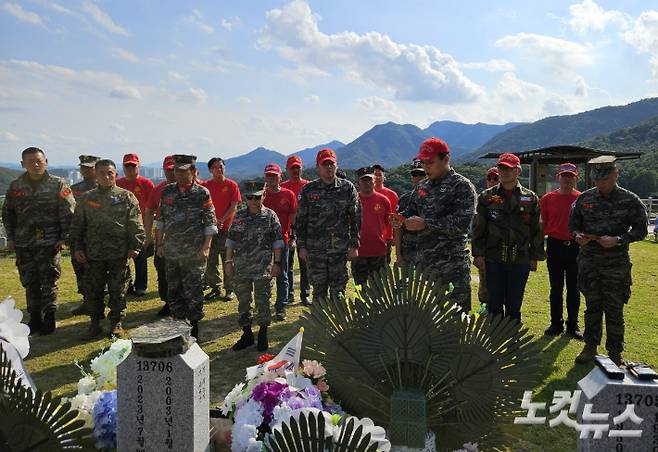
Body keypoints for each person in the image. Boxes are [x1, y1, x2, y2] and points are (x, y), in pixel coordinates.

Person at [571, 156, 648, 366]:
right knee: (592, 305)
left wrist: (619, 240)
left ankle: (615, 352)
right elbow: (574, 224)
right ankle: (590, 346)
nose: (601, 183)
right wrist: (578, 236)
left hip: (616, 263)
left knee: (614, 308)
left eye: (605, 179)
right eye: (598, 180)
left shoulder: (629, 200)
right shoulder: (585, 199)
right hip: (590, 261)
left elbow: (641, 229)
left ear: (616, 175)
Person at [2, 147, 76, 335]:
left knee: (49, 281)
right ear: (23, 164)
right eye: (30, 162)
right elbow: (7, 214)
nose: (35, 165)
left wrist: (64, 238)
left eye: (38, 161)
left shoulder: (58, 185)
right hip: (24, 243)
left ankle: (49, 318)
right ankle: (34, 318)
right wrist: (11, 237)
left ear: (46, 161)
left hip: (49, 244)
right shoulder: (16, 186)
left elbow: (68, 213)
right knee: (29, 281)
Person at [397, 138, 477, 312]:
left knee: (454, 320)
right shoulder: (421, 187)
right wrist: (401, 219)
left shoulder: (461, 186)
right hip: (423, 268)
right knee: (423, 322)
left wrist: (426, 224)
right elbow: (410, 212)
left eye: (430, 162)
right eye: (423, 162)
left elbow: (461, 224)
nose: (426, 167)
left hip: (451, 268)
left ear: (446, 159)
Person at [69, 159, 144, 339]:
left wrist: (136, 245)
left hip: (119, 253)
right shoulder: (87, 198)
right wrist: (77, 247)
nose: (106, 176)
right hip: (93, 253)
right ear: (96, 175)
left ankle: (116, 322)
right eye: (102, 173)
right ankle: (95, 323)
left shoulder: (126, 197)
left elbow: (135, 223)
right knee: (93, 290)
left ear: (115, 174)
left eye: (110, 173)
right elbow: (77, 225)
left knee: (118, 290)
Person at [472, 153, 545, 322]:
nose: (504, 172)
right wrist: (478, 254)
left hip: (520, 259)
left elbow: (537, 228)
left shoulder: (530, 197)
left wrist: (535, 256)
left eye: (509, 169)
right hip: (493, 258)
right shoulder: (486, 197)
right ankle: (494, 343)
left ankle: (512, 343)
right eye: (501, 168)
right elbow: (478, 227)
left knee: (514, 305)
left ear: (518, 170)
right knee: (494, 304)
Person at [154, 155, 217, 340]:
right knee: (173, 289)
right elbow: (160, 221)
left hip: (194, 253)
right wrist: (159, 243)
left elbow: (210, 224)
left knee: (194, 290)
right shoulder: (167, 192)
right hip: (172, 251)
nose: (180, 175)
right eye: (177, 171)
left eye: (184, 171)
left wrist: (206, 248)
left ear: (192, 172)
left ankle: (195, 326)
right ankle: (178, 327)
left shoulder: (202, 193)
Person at [296, 148, 361, 304]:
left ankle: (338, 325)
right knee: (318, 291)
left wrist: (354, 245)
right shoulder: (308, 190)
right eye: (324, 164)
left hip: (339, 250)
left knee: (338, 291)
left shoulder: (347, 188)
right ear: (318, 167)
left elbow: (356, 217)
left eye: (331, 164)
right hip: (315, 250)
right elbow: (301, 220)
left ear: (336, 166)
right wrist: (302, 246)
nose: (328, 167)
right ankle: (320, 326)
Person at [226, 181, 284, 352]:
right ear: (245, 198)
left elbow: (278, 242)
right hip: (241, 268)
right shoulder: (239, 216)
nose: (253, 200)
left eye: (257, 197)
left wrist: (277, 263)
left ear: (263, 196)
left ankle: (263, 334)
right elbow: (231, 240)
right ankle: (247, 335)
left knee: (263, 302)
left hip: (263, 268)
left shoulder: (270, 216)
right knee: (243, 303)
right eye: (250, 197)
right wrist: (228, 262)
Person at [540, 163, 583, 339]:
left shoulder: (582, 199)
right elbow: (543, 224)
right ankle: (555, 323)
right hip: (555, 246)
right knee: (556, 288)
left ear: (576, 178)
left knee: (574, 288)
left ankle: (573, 325)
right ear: (558, 177)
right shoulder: (547, 199)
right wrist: (539, 248)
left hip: (575, 247)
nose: (567, 179)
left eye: (571, 176)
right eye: (564, 176)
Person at [202, 157, 241, 302]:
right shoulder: (206, 186)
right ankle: (215, 288)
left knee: (228, 259)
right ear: (210, 170)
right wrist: (212, 222)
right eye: (216, 167)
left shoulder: (232, 185)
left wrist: (222, 220)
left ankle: (229, 289)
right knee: (211, 261)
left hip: (227, 230)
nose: (219, 169)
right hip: (211, 230)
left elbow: (234, 206)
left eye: (221, 166)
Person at [116, 153, 154, 297]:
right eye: (127, 166)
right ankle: (127, 284)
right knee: (122, 260)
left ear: (138, 166)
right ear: (123, 167)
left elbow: (153, 206)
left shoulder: (146, 184)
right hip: (122, 228)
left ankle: (141, 285)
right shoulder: (118, 183)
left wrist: (148, 230)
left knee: (140, 259)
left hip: (140, 228)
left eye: (133, 166)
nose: (130, 169)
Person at [262, 163, 297, 320]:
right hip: (262, 242)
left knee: (282, 274)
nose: (271, 179)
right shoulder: (260, 195)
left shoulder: (289, 195)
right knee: (263, 275)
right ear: (265, 177)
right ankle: (263, 306)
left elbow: (293, 218)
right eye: (268, 176)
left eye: (274, 176)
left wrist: (293, 237)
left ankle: (281, 307)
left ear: (280, 176)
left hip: (282, 240)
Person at [143, 155, 176, 316]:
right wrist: (148, 235)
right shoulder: (158, 190)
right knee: (162, 273)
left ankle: (182, 304)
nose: (171, 173)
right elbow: (149, 211)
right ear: (164, 170)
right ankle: (168, 303)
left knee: (185, 275)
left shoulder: (193, 189)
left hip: (187, 242)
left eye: (173, 169)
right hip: (163, 241)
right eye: (168, 170)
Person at [70, 155, 101, 317]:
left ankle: (98, 305)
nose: (86, 170)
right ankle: (86, 301)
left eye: (89, 167)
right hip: (79, 237)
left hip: (98, 239)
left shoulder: (103, 188)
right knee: (80, 271)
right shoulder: (74, 188)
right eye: (83, 167)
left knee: (97, 274)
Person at [352, 167, 391, 285]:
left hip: (378, 251)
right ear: (358, 183)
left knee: (379, 287)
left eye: (369, 180)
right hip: (358, 251)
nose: (367, 183)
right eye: (363, 180)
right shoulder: (352, 201)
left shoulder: (384, 200)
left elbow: (387, 222)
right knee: (360, 288)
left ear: (374, 180)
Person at [281, 155, 311, 305]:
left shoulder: (309, 186)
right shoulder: (283, 187)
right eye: (292, 168)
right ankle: (289, 293)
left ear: (302, 169)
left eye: (297, 167)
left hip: (305, 229)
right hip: (287, 230)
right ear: (287, 170)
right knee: (288, 263)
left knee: (304, 262)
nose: (295, 170)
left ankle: (305, 293)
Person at [476, 167, 500, 308]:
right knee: (485, 284)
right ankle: (485, 308)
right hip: (486, 250)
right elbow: (477, 229)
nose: (492, 181)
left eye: (495, 178)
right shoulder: (482, 199)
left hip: (503, 251)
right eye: (489, 178)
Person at [395, 159, 425, 265]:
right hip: (409, 254)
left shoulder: (437, 197)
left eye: (421, 173)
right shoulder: (404, 199)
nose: (418, 177)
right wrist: (398, 256)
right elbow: (398, 230)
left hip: (431, 255)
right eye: (414, 174)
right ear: (411, 177)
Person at [373, 164, 398, 262]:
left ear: (384, 177)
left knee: (384, 268)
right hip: (368, 237)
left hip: (385, 237)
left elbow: (396, 217)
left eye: (380, 175)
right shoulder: (364, 194)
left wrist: (395, 237)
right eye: (375, 175)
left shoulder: (392, 195)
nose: (377, 177)